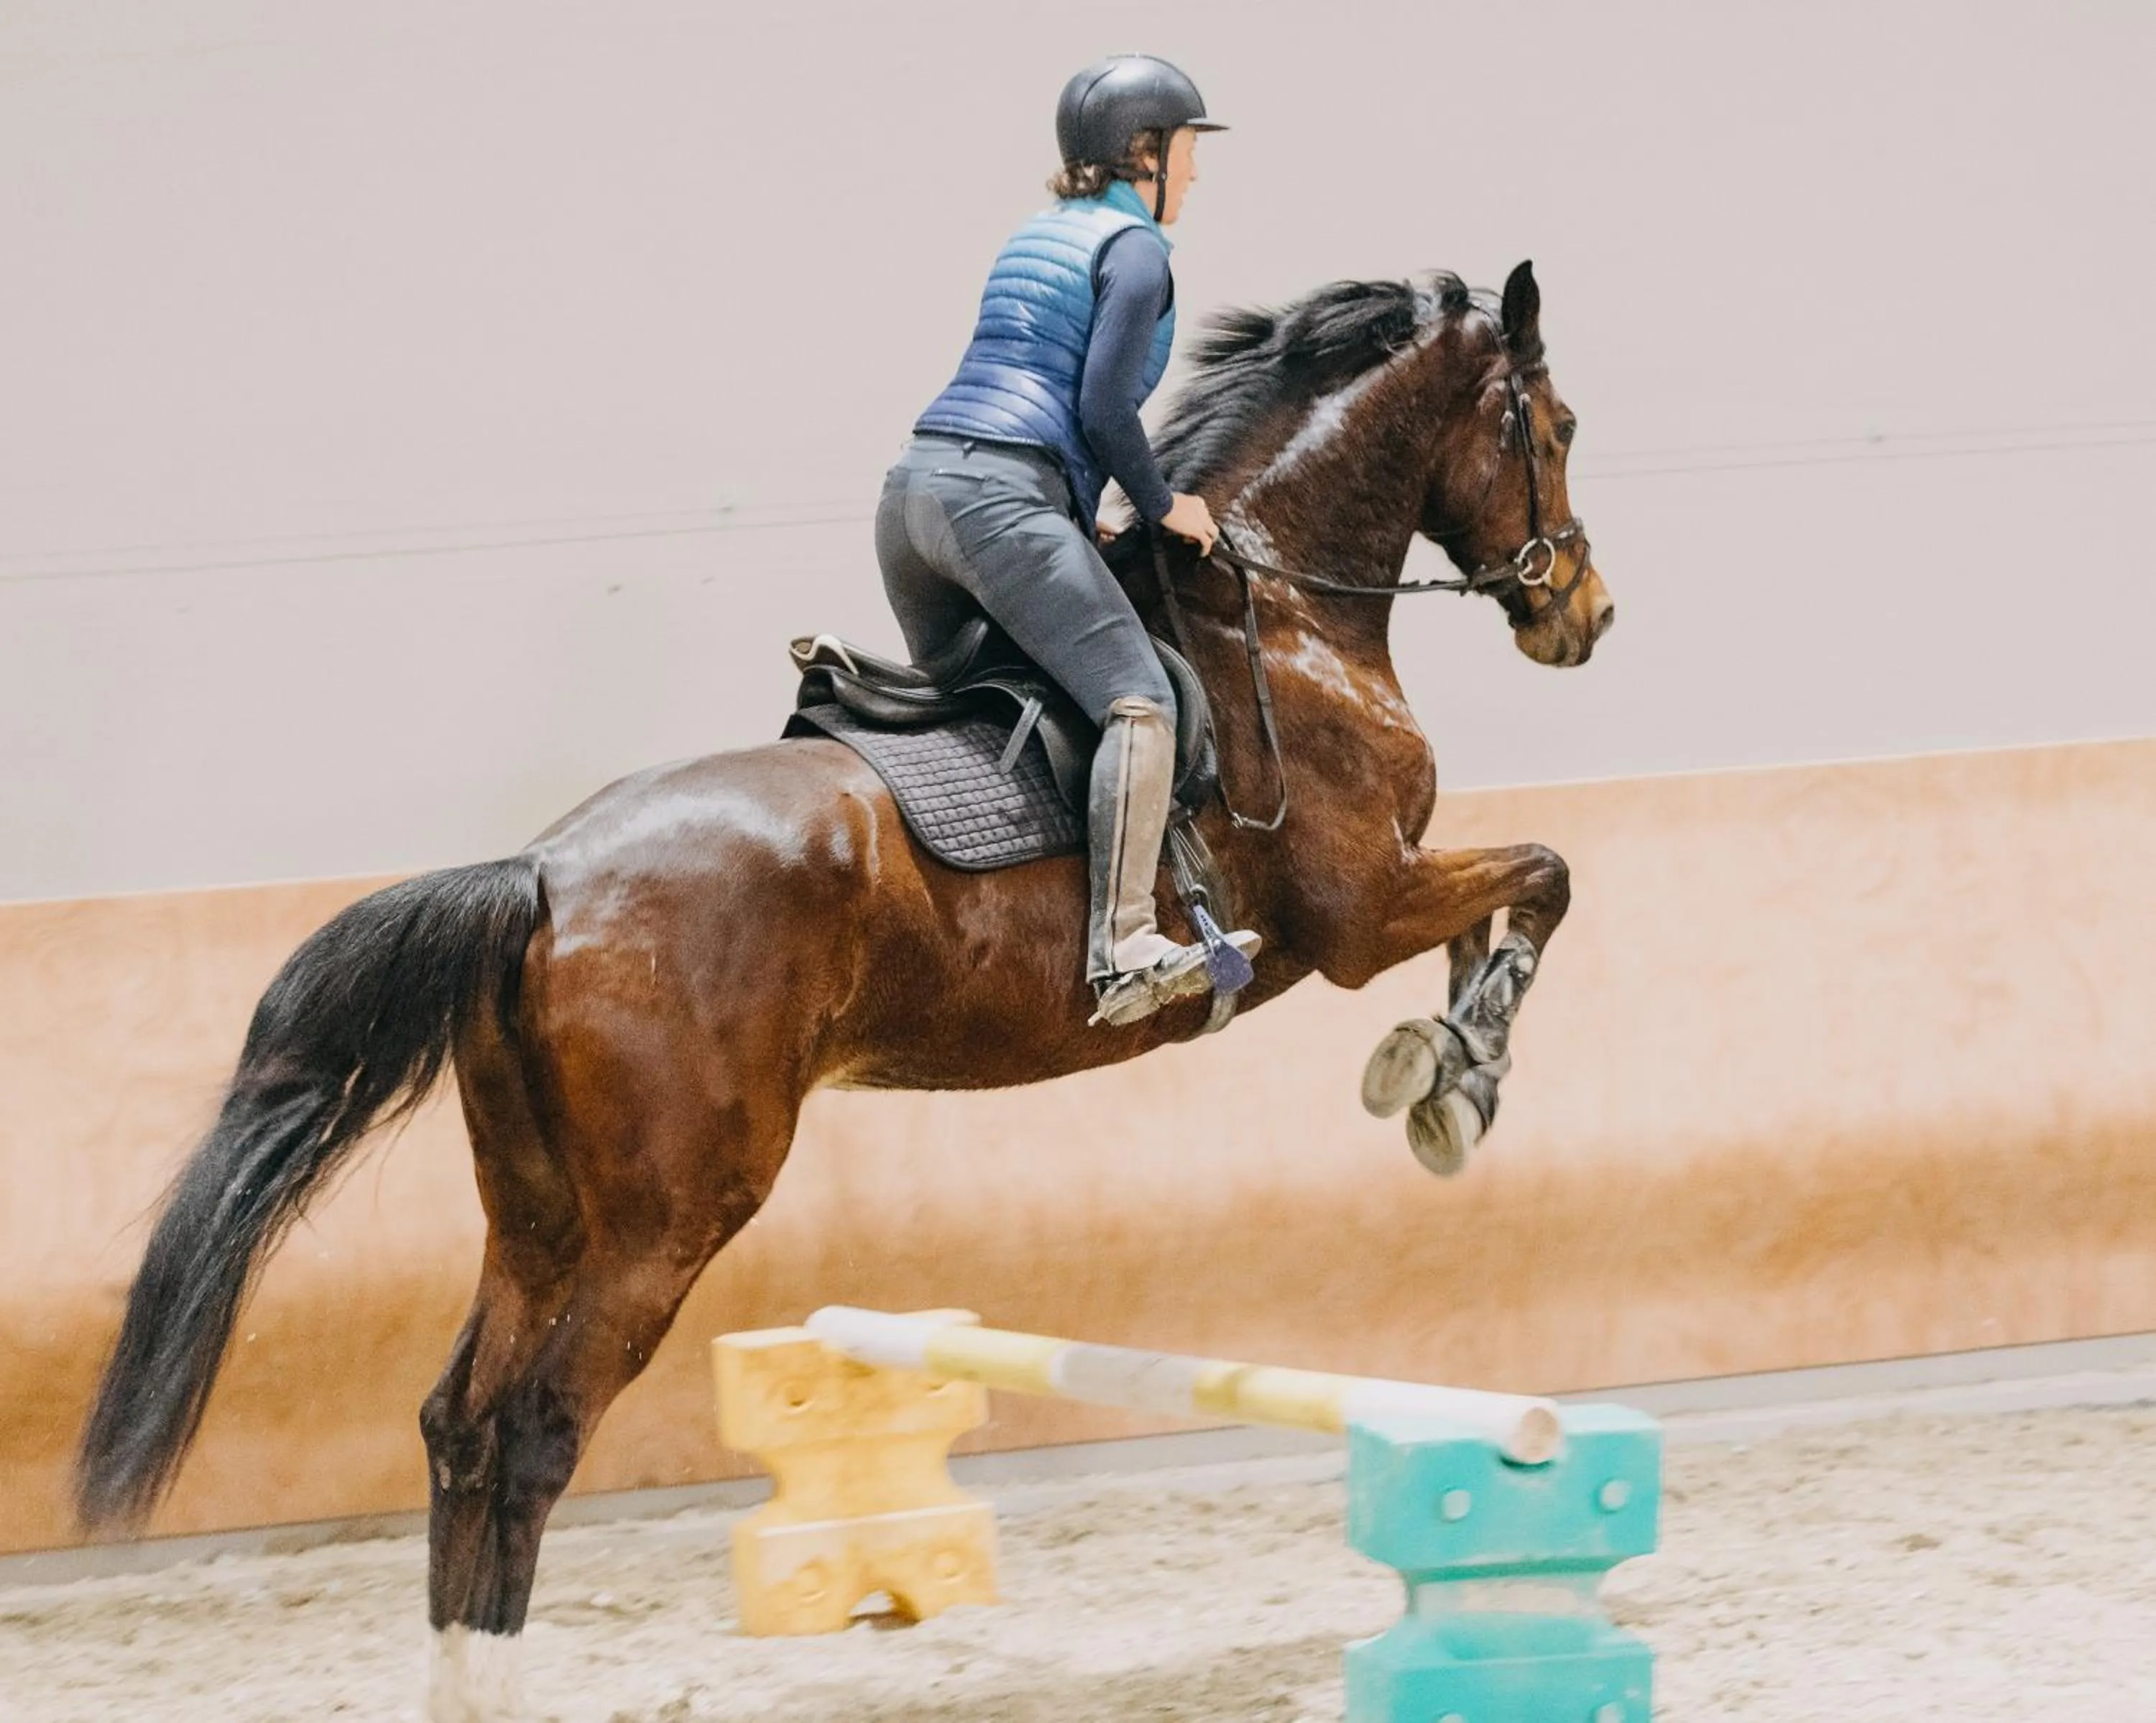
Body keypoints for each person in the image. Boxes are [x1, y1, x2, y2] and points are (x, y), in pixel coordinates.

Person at [876, 53, 1261, 1028]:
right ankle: (1124, 943)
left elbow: (1024, 377)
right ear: (1145, 152)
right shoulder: (1138, 253)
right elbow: (1097, 406)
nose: (1198, 174)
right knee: (1137, 702)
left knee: (1003, 708)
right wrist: (1162, 500)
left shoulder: (1037, 235)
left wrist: (1084, 504)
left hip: (915, 498)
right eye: (1187, 150)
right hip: (1000, 504)